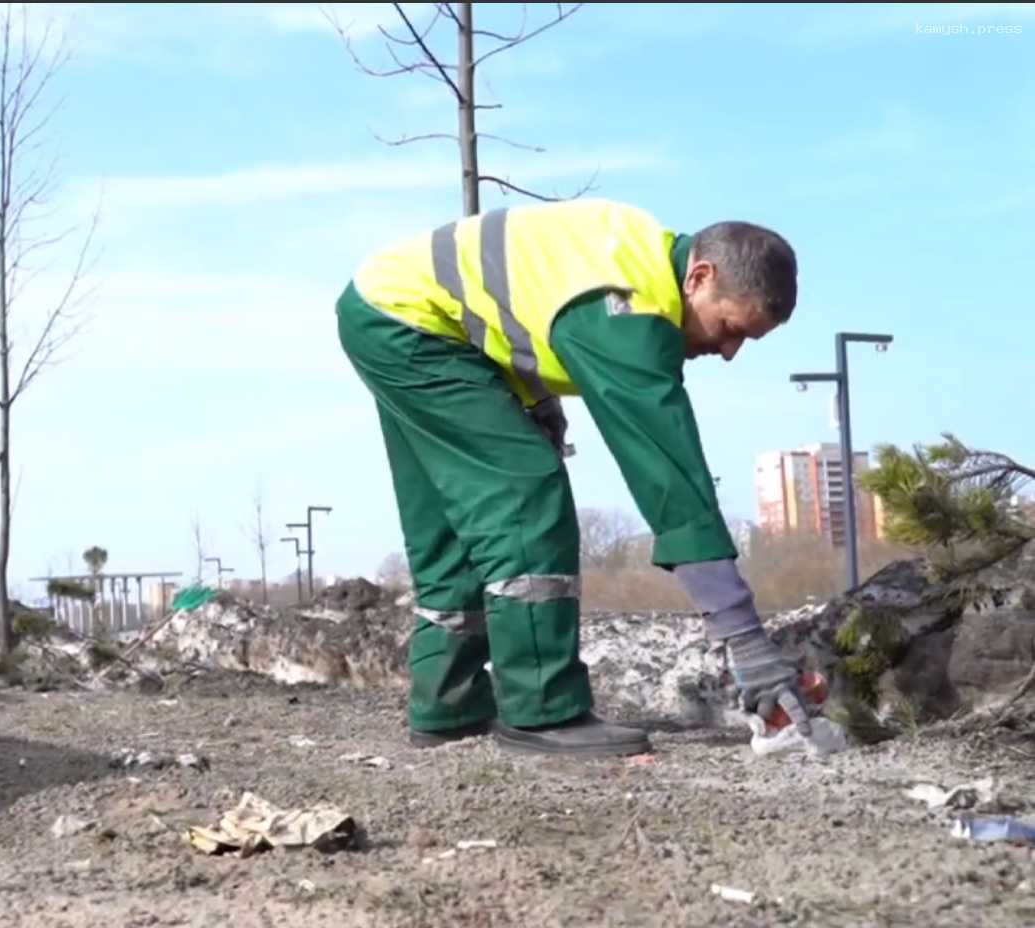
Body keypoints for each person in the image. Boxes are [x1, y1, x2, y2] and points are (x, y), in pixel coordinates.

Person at [337, 197, 811, 757]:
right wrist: (746, 642)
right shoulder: (628, 306)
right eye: (730, 327)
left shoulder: (633, 257)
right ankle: (543, 711)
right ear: (699, 276)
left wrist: (534, 401)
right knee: (523, 495)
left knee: (452, 521)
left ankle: (449, 703)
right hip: (413, 327)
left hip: (386, 312)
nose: (728, 351)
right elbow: (671, 480)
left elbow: (524, 305)